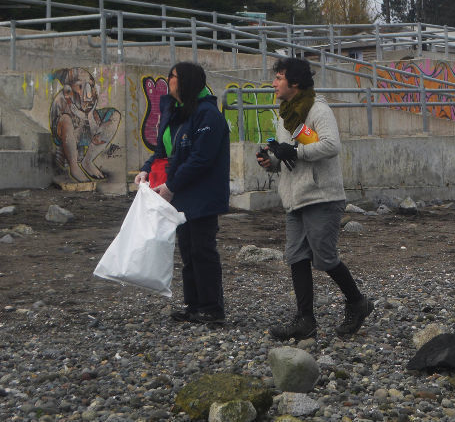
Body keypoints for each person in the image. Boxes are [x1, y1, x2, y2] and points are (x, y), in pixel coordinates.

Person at [257, 57, 373, 340]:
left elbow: (331, 146)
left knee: (324, 258)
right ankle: (304, 320)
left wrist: (294, 152)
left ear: (294, 83)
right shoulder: (287, 114)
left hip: (322, 197)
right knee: (296, 256)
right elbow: (296, 150)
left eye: (279, 77)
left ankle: (357, 302)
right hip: (295, 197)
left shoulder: (317, 109)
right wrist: (272, 161)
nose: (274, 83)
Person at [134, 62, 229, 324]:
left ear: (185, 81)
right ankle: (194, 305)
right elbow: (163, 152)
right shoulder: (178, 113)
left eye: (172, 77)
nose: (168, 81)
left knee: (203, 249)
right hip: (180, 195)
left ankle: (212, 308)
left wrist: (172, 185)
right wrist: (146, 170)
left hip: (202, 194)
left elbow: (201, 158)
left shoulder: (208, 115)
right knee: (188, 250)